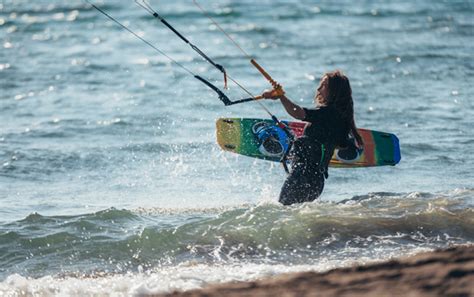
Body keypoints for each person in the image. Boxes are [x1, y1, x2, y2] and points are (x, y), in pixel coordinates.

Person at [261, 70, 364, 205]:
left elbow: (297, 113)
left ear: (334, 90)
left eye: (323, 85)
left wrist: (281, 96)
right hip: (317, 182)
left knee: (283, 211)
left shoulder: (326, 114)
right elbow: (337, 143)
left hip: (300, 177)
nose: (318, 88)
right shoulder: (342, 121)